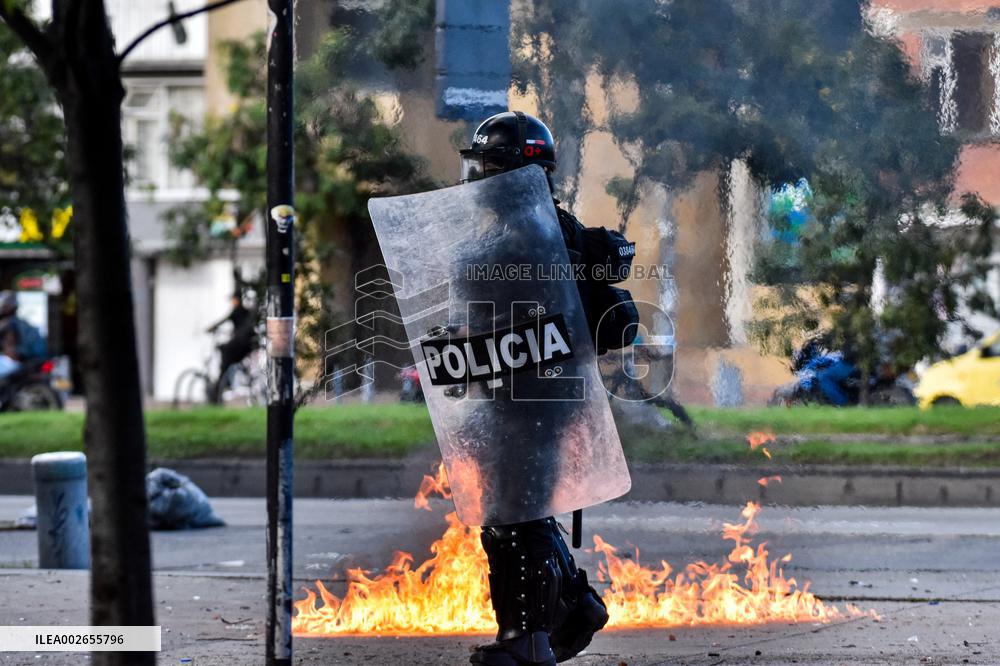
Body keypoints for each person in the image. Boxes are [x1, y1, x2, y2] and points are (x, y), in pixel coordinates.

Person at [459, 111, 638, 665]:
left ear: (518, 172)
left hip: (532, 398)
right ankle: (569, 610)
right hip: (527, 395)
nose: (478, 178)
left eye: (489, 167)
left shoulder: (530, 234)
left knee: (517, 517)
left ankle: (529, 640)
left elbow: (501, 300)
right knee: (516, 515)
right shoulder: (554, 226)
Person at [206, 286, 258, 403]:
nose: (232, 302)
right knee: (225, 354)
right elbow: (225, 320)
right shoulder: (243, 312)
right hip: (241, 345)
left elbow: (226, 320)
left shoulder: (239, 311)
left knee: (225, 355)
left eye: (234, 299)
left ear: (237, 300)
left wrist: (212, 328)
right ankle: (223, 383)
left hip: (240, 345)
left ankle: (222, 385)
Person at [0, 290, 46, 381]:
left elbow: (11, 346)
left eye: (4, 306)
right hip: (28, 359)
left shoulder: (9, 324)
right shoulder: (21, 322)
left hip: (18, 361)